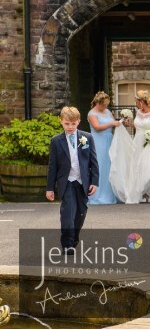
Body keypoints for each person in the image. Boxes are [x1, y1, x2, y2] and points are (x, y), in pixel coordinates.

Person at [46, 106, 99, 254]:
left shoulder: (86, 137)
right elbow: (52, 166)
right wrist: (50, 188)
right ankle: (67, 244)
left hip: (83, 181)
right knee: (68, 213)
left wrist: (94, 181)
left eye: (73, 124)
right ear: (61, 122)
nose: (70, 127)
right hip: (67, 181)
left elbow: (93, 161)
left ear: (78, 122)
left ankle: (74, 238)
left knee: (81, 212)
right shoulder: (56, 141)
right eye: (66, 124)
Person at [109, 90, 150, 204]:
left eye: (137, 101)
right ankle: (141, 193)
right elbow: (137, 126)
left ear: (142, 101)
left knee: (149, 165)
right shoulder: (138, 112)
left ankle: (149, 194)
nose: (136, 104)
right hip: (138, 141)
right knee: (137, 166)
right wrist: (130, 124)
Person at [87, 91, 120, 205]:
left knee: (110, 165)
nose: (106, 106)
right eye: (104, 104)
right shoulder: (92, 114)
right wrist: (112, 124)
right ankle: (97, 194)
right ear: (98, 103)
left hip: (109, 140)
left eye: (107, 104)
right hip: (98, 142)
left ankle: (110, 193)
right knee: (99, 166)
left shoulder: (108, 111)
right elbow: (97, 127)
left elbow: (113, 122)